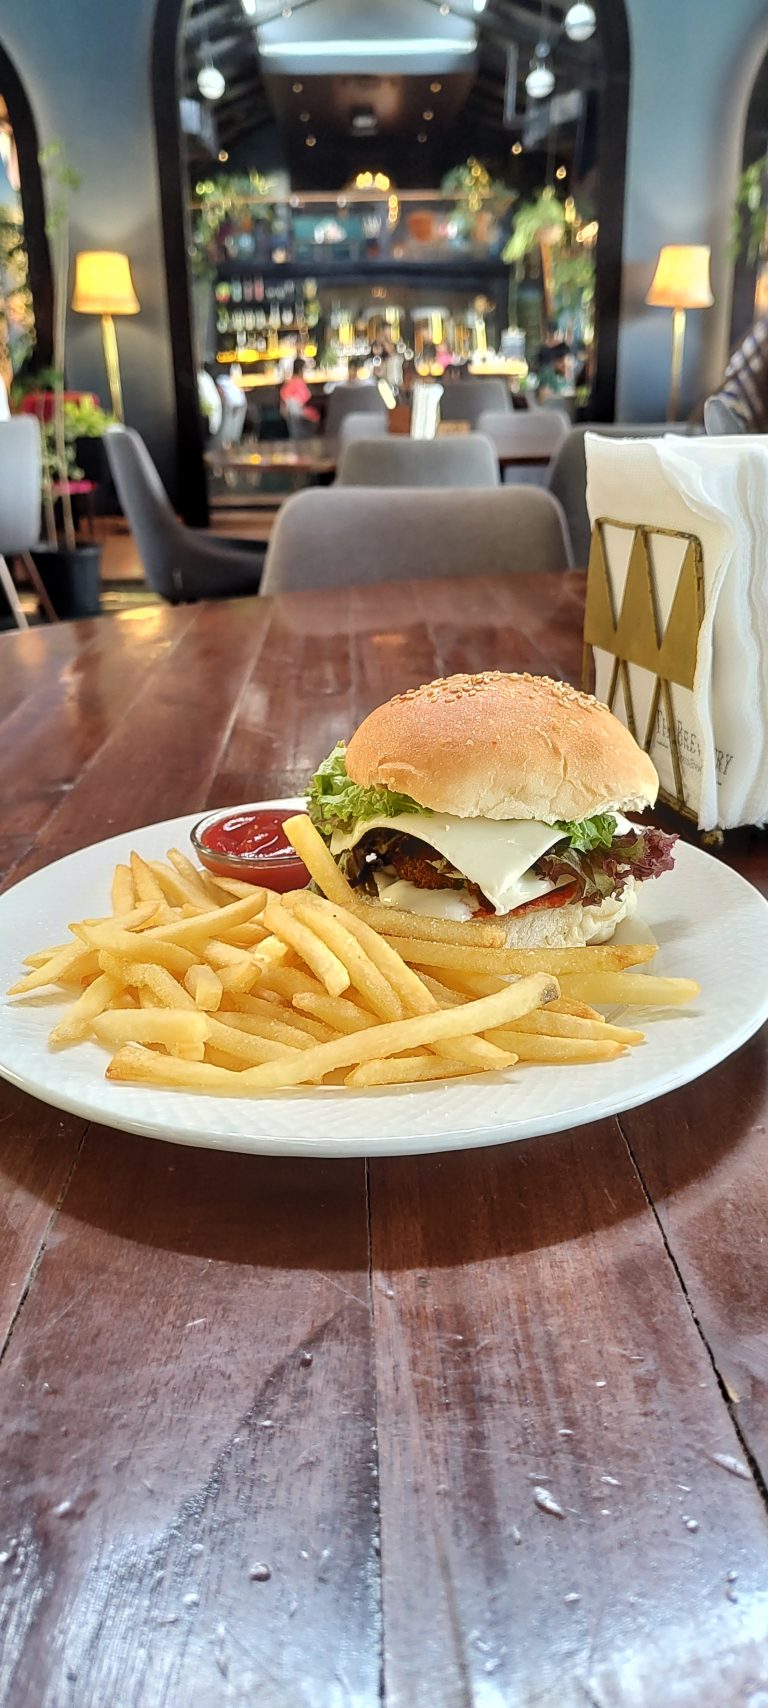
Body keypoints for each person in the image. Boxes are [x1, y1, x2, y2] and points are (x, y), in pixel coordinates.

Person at [279, 357, 320, 432]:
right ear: (301, 370)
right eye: (306, 370)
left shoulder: (289, 384)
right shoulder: (298, 383)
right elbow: (306, 402)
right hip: (306, 421)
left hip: (294, 423)